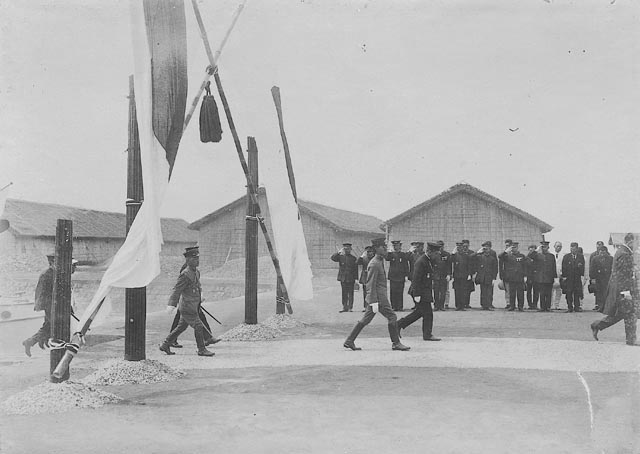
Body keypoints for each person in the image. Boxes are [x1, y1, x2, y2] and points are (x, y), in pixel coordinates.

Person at [343, 238, 410, 351]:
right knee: (392, 316)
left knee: (366, 319)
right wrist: (373, 301)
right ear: (376, 249)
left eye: (385, 247)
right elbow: (370, 284)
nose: (385, 249)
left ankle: (349, 341)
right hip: (378, 298)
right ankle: (396, 343)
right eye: (382, 247)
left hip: (376, 297)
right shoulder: (374, 264)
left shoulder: (379, 261)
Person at [159, 246, 215, 357]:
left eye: (198, 259)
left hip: (194, 305)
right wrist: (171, 304)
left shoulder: (196, 272)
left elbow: (198, 286)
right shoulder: (185, 274)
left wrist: (201, 295)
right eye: (194, 259)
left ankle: (165, 344)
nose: (197, 261)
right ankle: (201, 349)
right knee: (198, 326)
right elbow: (177, 290)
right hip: (187, 306)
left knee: (181, 327)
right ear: (188, 260)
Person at [22, 254, 78, 357]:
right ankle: (41, 342)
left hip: (54, 305)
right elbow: (44, 293)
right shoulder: (48, 274)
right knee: (54, 326)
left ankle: (32, 342)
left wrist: (68, 307)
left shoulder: (56, 273)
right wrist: (53, 306)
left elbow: (63, 293)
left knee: (49, 325)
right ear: (52, 262)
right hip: (50, 305)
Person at [591, 233, 638, 346]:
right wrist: (626, 292)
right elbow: (623, 275)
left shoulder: (622, 252)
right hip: (623, 289)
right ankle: (630, 340)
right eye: (637, 243)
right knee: (630, 313)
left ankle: (597, 325)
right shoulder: (625, 254)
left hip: (621, 289)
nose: (637, 245)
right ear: (630, 241)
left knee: (622, 313)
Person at [169, 261, 219, 349]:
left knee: (187, 322)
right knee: (184, 322)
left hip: (193, 301)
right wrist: (173, 303)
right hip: (186, 302)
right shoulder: (185, 269)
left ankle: (207, 337)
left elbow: (197, 284)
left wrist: (200, 295)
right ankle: (206, 339)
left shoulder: (195, 270)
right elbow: (179, 287)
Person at [397, 242, 440, 341]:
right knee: (428, 313)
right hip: (420, 291)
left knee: (420, 312)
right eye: (435, 253)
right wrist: (417, 294)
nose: (436, 255)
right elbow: (416, 278)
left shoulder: (428, 260)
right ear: (429, 251)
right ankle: (427, 334)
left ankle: (399, 324)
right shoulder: (421, 262)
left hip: (424, 291)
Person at [331, 243, 359, 312]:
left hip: (351, 278)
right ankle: (344, 307)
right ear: (343, 249)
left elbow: (355, 269)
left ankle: (350, 307)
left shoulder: (353, 258)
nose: (347, 250)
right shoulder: (340, 257)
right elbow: (333, 258)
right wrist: (338, 252)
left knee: (351, 293)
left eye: (348, 249)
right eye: (345, 249)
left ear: (351, 249)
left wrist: (356, 279)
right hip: (343, 278)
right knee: (344, 293)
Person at [529, 241, 557, 312]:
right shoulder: (538, 255)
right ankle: (542, 307)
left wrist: (555, 277)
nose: (544, 248)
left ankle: (548, 307)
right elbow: (530, 256)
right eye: (543, 247)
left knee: (548, 293)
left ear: (548, 247)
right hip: (540, 278)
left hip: (549, 277)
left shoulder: (551, 256)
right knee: (542, 293)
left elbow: (553, 267)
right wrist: (537, 250)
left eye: (545, 246)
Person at [500, 242, 527, 311]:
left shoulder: (521, 256)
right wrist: (506, 251)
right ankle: (512, 306)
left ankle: (520, 306)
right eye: (512, 247)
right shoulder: (507, 256)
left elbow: (525, 266)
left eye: (514, 247)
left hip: (519, 277)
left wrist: (525, 276)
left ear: (517, 248)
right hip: (511, 277)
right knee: (512, 293)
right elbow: (500, 256)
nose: (513, 249)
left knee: (520, 293)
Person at [386, 240, 410, 311]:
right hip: (393, 276)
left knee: (400, 292)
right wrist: (389, 251)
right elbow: (386, 258)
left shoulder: (402, 255)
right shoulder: (391, 254)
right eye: (394, 246)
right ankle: (393, 306)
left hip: (400, 276)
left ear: (400, 246)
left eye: (397, 246)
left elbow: (406, 265)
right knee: (393, 292)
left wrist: (406, 275)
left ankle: (399, 306)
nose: (395, 247)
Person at [561, 242, 585, 312]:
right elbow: (564, 267)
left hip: (577, 278)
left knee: (577, 292)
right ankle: (569, 307)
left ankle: (577, 307)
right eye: (571, 248)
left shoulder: (580, 256)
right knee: (569, 293)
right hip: (569, 278)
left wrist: (582, 275)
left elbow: (582, 267)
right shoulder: (566, 257)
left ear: (577, 249)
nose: (572, 250)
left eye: (574, 249)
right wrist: (564, 276)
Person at [475, 241, 498, 310]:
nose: (486, 250)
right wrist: (477, 252)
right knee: (483, 291)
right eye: (484, 248)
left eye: (487, 248)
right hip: (482, 276)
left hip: (489, 277)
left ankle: (489, 304)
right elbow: (472, 258)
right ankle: (483, 305)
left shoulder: (492, 258)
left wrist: (494, 278)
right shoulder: (480, 256)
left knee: (489, 292)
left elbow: (495, 268)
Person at [452, 241, 474, 311]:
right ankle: (458, 305)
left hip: (464, 276)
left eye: (460, 247)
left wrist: (469, 274)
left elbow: (469, 265)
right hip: (456, 276)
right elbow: (450, 261)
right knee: (457, 291)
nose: (459, 249)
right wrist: (453, 252)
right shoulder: (454, 256)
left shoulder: (466, 256)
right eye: (458, 247)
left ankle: (462, 305)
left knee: (463, 291)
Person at [590, 245, 613, 313]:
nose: (602, 253)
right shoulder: (595, 259)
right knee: (599, 293)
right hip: (598, 279)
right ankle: (600, 307)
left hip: (607, 279)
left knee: (607, 293)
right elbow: (592, 269)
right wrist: (592, 278)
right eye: (601, 251)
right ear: (598, 252)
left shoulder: (611, 259)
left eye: (604, 251)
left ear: (606, 252)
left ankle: (606, 307)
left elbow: (613, 268)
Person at [356, 246, 375, 311]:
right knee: (365, 293)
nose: (369, 253)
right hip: (365, 277)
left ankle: (373, 307)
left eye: (370, 252)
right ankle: (366, 307)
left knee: (373, 293)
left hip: (373, 277)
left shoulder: (375, 259)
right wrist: (361, 256)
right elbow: (357, 262)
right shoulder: (364, 258)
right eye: (368, 252)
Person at [436, 240, 452, 310]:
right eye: (439, 246)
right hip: (436, 276)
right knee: (436, 291)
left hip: (443, 275)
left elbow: (449, 265)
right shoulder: (434, 254)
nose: (440, 247)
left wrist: (449, 274)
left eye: (441, 246)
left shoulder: (447, 254)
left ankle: (442, 306)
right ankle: (436, 306)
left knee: (443, 291)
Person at [499, 239, 513, 308]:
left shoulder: (514, 253)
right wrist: (501, 275)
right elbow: (500, 264)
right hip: (506, 275)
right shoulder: (503, 254)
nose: (507, 247)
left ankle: (513, 303)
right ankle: (508, 303)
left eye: (509, 245)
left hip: (514, 275)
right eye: (506, 245)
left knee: (513, 290)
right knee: (507, 290)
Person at [551, 241, 565, 310]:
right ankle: (550, 305)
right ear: (554, 247)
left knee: (559, 291)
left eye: (560, 246)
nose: (558, 247)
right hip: (552, 275)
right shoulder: (551, 254)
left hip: (560, 275)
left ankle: (557, 305)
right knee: (551, 290)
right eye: (557, 246)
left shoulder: (563, 255)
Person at [525, 244, 540, 310]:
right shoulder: (527, 256)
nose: (531, 249)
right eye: (530, 248)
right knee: (529, 291)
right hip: (529, 276)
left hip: (536, 276)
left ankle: (535, 304)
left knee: (536, 291)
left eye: (533, 248)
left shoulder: (537, 256)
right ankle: (530, 304)